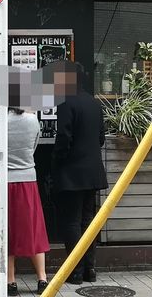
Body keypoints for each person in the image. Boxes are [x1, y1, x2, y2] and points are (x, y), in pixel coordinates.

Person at [0, 107, 49, 296]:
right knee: (32, 229)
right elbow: (34, 147)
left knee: (4, 231)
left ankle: (10, 282)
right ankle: (42, 279)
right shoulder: (32, 121)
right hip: (26, 179)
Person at [51, 62, 108, 285]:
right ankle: (89, 269)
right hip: (93, 172)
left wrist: (57, 161)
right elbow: (101, 138)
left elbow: (63, 138)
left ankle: (75, 271)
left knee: (71, 222)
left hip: (71, 173)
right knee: (87, 221)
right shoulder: (93, 103)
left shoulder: (66, 102)